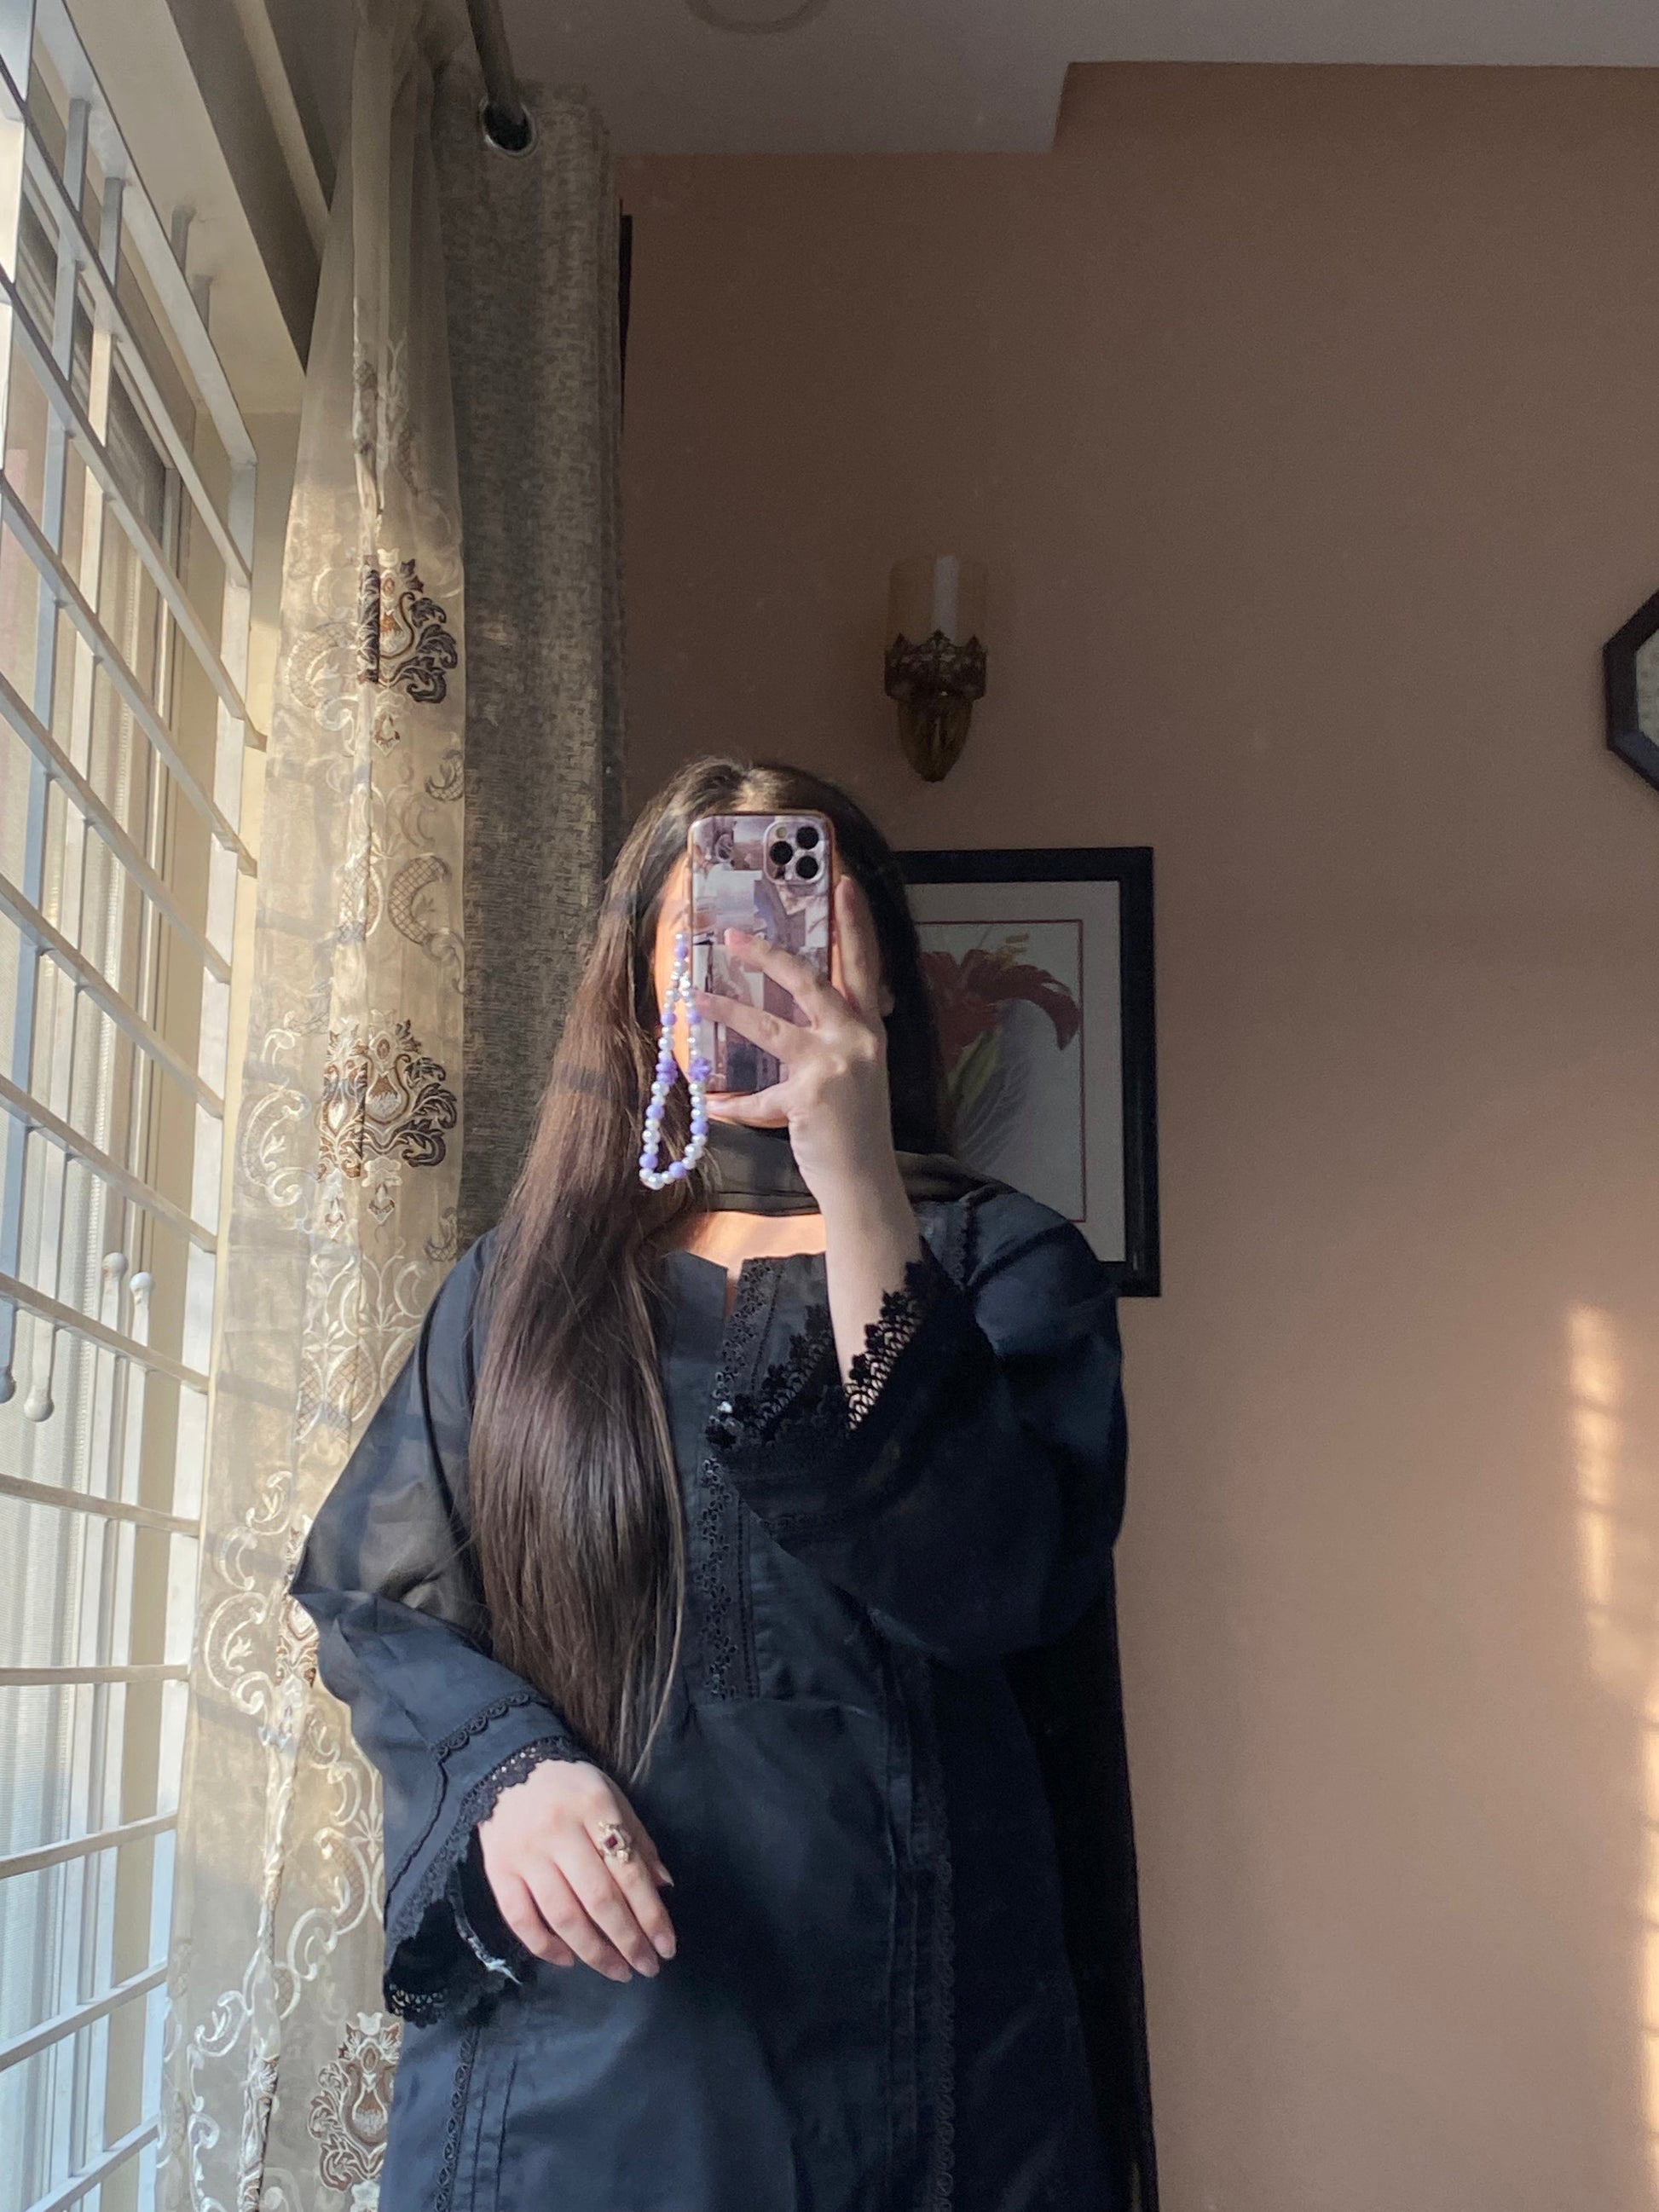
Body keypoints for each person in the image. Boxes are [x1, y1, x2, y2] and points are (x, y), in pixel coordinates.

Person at [292, 757, 1155, 2212]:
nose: (754, 966)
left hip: (921, 2055)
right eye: (704, 937)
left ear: (880, 972)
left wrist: (855, 1175)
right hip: (577, 2060)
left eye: (796, 922)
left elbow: (994, 1576)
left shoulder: (1006, 1264)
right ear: (641, 993)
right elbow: (378, 1603)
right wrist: (507, 1770)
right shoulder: (522, 1289)